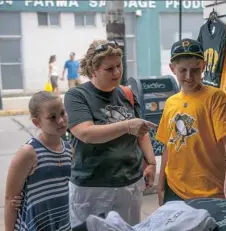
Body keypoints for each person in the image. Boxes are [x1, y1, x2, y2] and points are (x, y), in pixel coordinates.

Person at [64, 40, 157, 228]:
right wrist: (127, 125)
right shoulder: (77, 96)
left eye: (119, 65)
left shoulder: (127, 93)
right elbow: (86, 133)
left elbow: (141, 133)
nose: (117, 72)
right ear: (93, 70)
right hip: (93, 187)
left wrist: (152, 162)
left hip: (130, 182)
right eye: (109, 69)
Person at [156, 38, 226, 205]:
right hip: (174, 189)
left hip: (209, 190)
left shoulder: (214, 97)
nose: (189, 76)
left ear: (203, 66)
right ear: (172, 69)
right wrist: (161, 183)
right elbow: (168, 146)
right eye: (183, 70)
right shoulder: (170, 103)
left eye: (195, 70)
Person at [4, 91, 72, 231]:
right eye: (52, 117)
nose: (60, 120)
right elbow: (11, 199)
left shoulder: (69, 150)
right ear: (37, 122)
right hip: (35, 225)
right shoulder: (29, 153)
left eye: (62, 113)